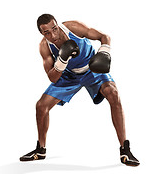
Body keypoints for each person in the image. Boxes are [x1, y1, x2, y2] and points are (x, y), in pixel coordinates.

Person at [20, 14, 139, 166]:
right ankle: (40, 150)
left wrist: (104, 52)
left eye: (54, 29)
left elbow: (104, 36)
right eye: (47, 33)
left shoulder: (73, 28)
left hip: (92, 69)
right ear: (42, 34)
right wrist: (62, 60)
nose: (53, 35)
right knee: (41, 106)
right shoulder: (44, 46)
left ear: (57, 25)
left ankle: (125, 149)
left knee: (113, 94)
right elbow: (53, 77)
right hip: (68, 76)